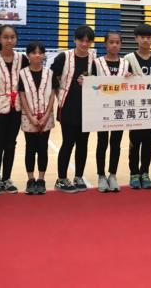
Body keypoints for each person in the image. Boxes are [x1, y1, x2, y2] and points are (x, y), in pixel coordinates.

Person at [51, 25, 96, 194]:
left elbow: (99, 82)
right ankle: (61, 179)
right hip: (68, 107)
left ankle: (78, 176)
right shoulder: (64, 57)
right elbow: (52, 77)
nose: (84, 44)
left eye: (88, 41)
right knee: (68, 143)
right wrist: (58, 95)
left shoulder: (94, 60)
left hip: (87, 108)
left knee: (83, 144)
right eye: (81, 40)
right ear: (74, 40)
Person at [0, 25, 28, 195]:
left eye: (12, 37)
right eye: (6, 37)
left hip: (16, 108)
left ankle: (7, 178)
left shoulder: (22, 59)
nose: (9, 40)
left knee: (11, 144)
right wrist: (2, 93)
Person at [124, 23, 151, 190]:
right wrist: (125, 76)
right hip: (135, 108)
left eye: (149, 37)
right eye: (142, 37)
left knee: (148, 143)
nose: (145, 40)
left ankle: (145, 173)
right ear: (136, 38)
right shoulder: (128, 59)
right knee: (135, 143)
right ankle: (134, 173)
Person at [91, 31, 130, 193]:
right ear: (105, 44)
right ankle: (101, 175)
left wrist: (131, 77)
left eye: (117, 42)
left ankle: (112, 175)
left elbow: (132, 85)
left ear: (121, 44)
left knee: (116, 143)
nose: (114, 45)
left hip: (119, 109)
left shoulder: (126, 63)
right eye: (111, 42)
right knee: (102, 142)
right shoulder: (97, 63)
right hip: (102, 109)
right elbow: (91, 84)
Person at [19, 41, 58, 195]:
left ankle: (41, 179)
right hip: (28, 118)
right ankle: (30, 179)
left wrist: (46, 115)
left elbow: (52, 95)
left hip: (46, 118)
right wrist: (31, 117)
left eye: (40, 52)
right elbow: (22, 96)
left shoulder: (50, 73)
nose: (37, 55)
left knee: (43, 149)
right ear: (28, 55)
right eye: (34, 52)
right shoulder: (22, 73)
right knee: (30, 148)